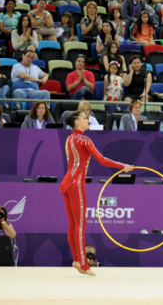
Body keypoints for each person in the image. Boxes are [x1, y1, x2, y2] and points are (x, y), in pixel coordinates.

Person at [61, 110, 132, 275]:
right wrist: (123, 166)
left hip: (66, 183)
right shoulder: (84, 140)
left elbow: (70, 162)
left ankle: (77, 260)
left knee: (73, 224)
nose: (88, 120)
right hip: (77, 184)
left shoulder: (69, 139)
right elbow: (102, 160)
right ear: (77, 122)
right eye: (85, 118)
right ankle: (84, 264)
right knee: (80, 225)